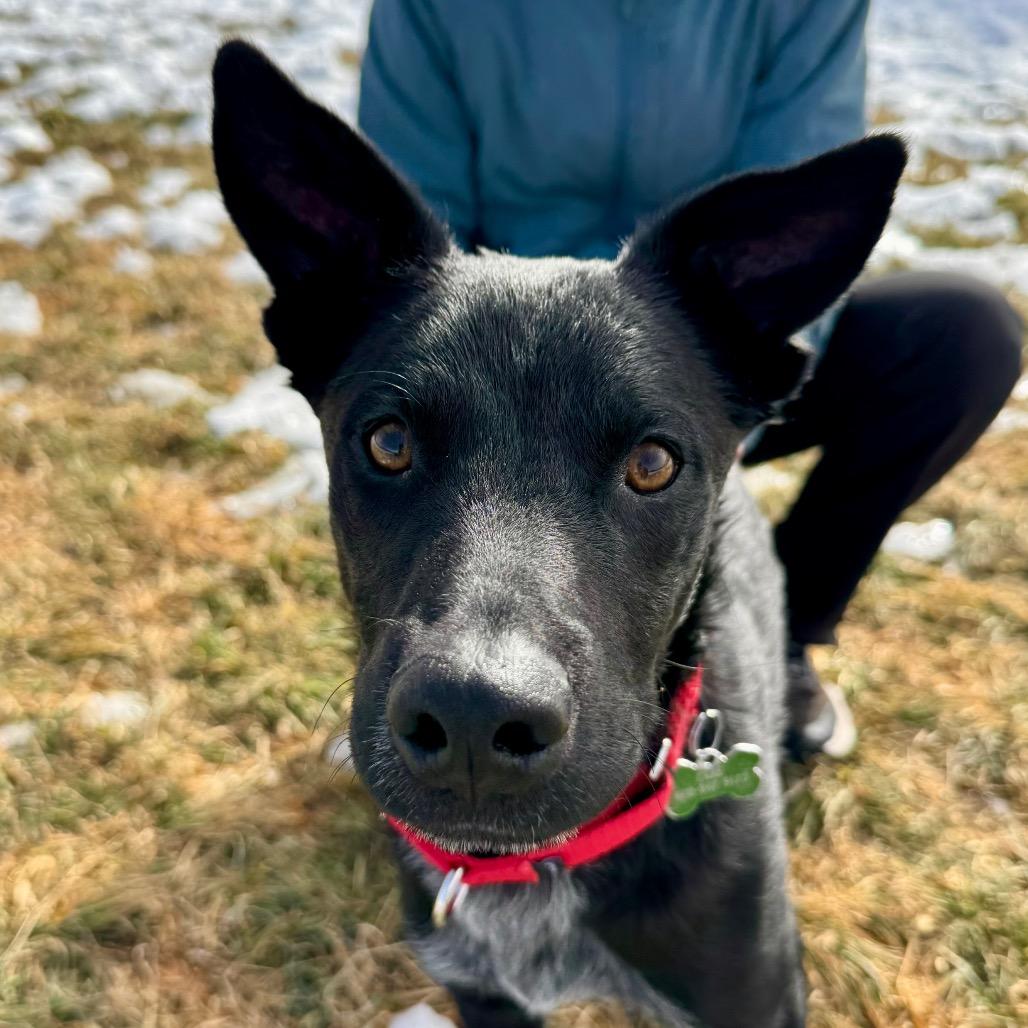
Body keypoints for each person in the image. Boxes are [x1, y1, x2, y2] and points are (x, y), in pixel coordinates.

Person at [357, 0, 1023, 759]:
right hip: (502, 354)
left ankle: (785, 635)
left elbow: (792, 195)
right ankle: (423, 660)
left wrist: (705, 431)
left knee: (964, 336)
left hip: (698, 339)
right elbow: (414, 239)